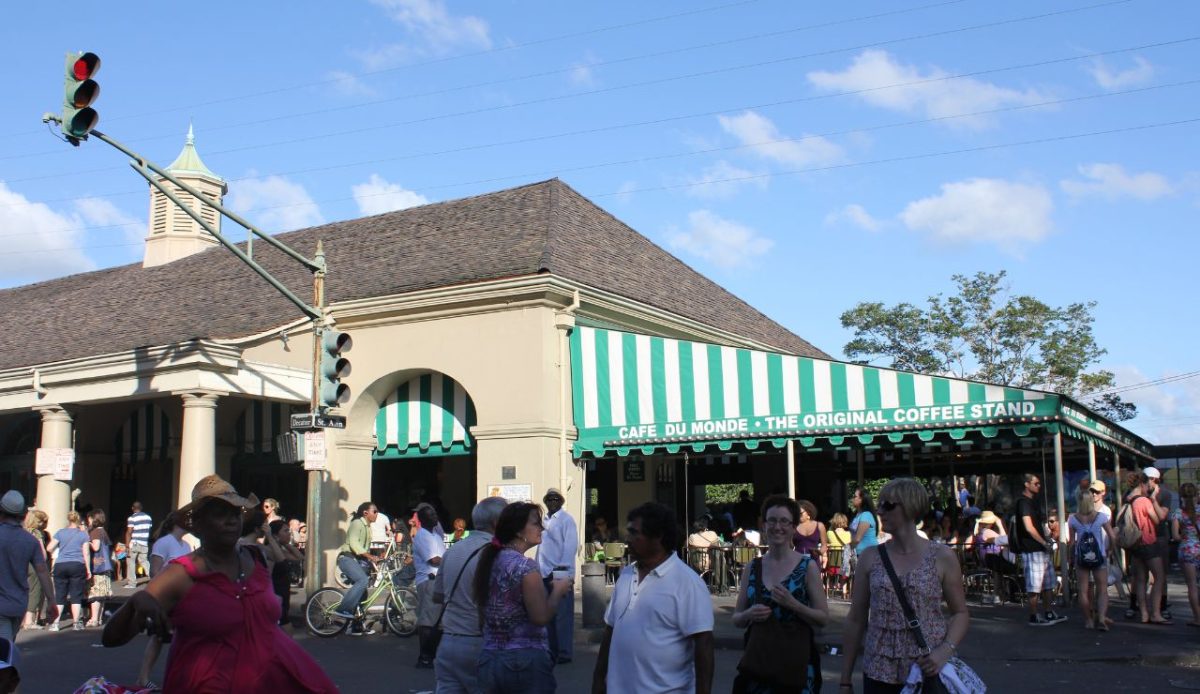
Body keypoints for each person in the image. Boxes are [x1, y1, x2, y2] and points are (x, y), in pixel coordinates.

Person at [102, 474, 337, 693]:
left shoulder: (257, 559)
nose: (231, 521)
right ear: (200, 523)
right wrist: (135, 603)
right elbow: (112, 638)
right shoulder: (180, 574)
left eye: (235, 513)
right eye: (219, 514)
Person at [839, 479, 969, 693]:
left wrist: (944, 651)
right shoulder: (870, 557)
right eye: (879, 505)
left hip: (927, 668)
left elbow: (961, 613)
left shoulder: (942, 556)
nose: (879, 511)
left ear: (910, 507)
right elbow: (856, 618)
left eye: (888, 505)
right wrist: (845, 679)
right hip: (878, 669)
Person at [592, 502, 714, 694]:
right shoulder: (626, 575)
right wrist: (598, 679)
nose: (628, 539)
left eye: (634, 533)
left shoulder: (687, 583)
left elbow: (704, 645)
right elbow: (611, 631)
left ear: (658, 536)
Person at [731, 495, 829, 693]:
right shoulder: (753, 567)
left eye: (784, 521)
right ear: (764, 525)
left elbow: (823, 618)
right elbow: (737, 618)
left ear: (794, 528)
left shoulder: (807, 566)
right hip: (760, 664)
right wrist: (749, 614)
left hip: (797, 666)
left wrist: (794, 605)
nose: (778, 527)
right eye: (772, 520)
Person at [473, 501, 572, 693]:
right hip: (525, 659)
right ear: (519, 531)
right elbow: (540, 617)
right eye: (535, 523)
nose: (541, 528)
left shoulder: (489, 560)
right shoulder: (525, 566)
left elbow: (481, 615)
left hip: (490, 656)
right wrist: (558, 591)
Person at [433, 496, 506, 694]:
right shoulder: (496, 554)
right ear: (497, 523)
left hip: (448, 641)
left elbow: (437, 595)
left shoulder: (453, 550)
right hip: (479, 640)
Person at [137, 512, 194, 689]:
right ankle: (143, 677)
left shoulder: (186, 545)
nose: (190, 523)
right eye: (187, 520)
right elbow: (154, 571)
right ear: (177, 523)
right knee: (158, 637)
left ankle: (180, 677)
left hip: (183, 597)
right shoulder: (163, 543)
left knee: (181, 638)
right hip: (166, 596)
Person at [0, 491, 57, 643]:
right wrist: (51, 601)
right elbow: (43, 572)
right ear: (24, 515)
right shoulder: (30, 541)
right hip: (18, 603)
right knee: (8, 646)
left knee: (4, 653)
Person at [1013, 473, 1067, 626]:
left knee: (1048, 582)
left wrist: (1047, 540)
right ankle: (1034, 615)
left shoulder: (1033, 502)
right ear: (1027, 484)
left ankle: (1049, 611)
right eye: (1035, 483)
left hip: (1041, 548)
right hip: (1032, 549)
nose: (1039, 486)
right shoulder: (1023, 503)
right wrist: (1044, 542)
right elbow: (1029, 527)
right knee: (1034, 584)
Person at [537, 487, 578, 665]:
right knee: (548, 615)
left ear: (561, 501)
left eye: (556, 499)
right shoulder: (544, 520)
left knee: (562, 615)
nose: (552, 502)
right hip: (543, 571)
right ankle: (551, 650)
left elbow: (570, 547)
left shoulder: (566, 520)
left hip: (559, 571)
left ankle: (564, 651)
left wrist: (563, 573)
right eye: (549, 499)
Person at [1123, 470, 1170, 624]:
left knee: (1140, 580)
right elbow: (1158, 519)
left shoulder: (1129, 499)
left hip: (1135, 544)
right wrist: (1154, 498)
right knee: (1159, 577)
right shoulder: (1144, 501)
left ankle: (1144, 613)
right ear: (1142, 484)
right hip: (1148, 542)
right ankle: (1156, 613)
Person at [1069, 488, 1115, 630]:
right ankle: (1101, 618)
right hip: (1099, 556)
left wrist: (1071, 558)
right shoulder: (1101, 517)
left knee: (1082, 590)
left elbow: (1071, 542)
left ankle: (1088, 620)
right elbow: (1112, 536)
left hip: (1081, 558)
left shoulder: (1072, 518)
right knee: (1102, 589)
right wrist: (1110, 550)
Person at [336, 502, 380, 637]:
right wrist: (370, 556)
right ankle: (343, 609)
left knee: (363, 594)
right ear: (366, 513)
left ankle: (355, 627)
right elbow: (354, 544)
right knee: (362, 580)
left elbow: (364, 549)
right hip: (347, 559)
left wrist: (374, 559)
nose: (377, 514)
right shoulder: (357, 524)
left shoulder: (368, 527)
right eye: (375, 511)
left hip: (357, 560)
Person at [414, 502, 447, 667]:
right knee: (428, 620)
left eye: (435, 514)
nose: (436, 517)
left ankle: (434, 655)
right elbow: (433, 560)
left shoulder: (435, 534)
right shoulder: (422, 536)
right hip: (429, 580)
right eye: (432, 515)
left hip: (439, 580)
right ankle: (425, 656)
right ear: (424, 519)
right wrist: (451, 560)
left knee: (440, 622)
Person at [45, 510, 89, 631]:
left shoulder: (60, 532)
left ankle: (55, 624)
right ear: (78, 520)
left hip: (61, 564)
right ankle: (76, 623)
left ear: (68, 520)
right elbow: (86, 553)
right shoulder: (83, 534)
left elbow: (49, 548)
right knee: (76, 595)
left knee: (60, 595)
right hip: (77, 564)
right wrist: (88, 569)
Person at [1171, 482, 1200, 627]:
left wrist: (1185, 535)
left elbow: (1175, 536)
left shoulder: (1178, 513)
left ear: (1181, 496)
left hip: (1187, 551)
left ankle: (1197, 618)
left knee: (1192, 586)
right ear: (1196, 495)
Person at [267, 520, 303, 626]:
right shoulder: (269, 550)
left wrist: (286, 543)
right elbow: (268, 576)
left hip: (284, 594)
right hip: (275, 595)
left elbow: (299, 557)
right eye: (286, 530)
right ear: (275, 535)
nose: (289, 533)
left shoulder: (281, 550)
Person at [84, 508, 115, 627]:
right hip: (105, 566)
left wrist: (87, 540)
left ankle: (94, 618)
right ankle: (99, 618)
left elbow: (96, 547)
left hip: (98, 567)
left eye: (90, 519)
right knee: (102, 594)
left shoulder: (96, 532)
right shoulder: (103, 532)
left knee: (95, 593)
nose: (88, 521)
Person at [21, 510, 50, 631]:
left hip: (23, 564)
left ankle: (23, 619)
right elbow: (42, 553)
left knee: (25, 591)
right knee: (35, 591)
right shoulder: (37, 533)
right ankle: (29, 621)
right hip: (34, 566)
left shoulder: (23, 531)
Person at [125, 501, 152, 588]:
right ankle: (154, 577)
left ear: (133, 508)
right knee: (144, 561)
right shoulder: (148, 518)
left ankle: (132, 583)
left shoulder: (131, 518)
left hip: (135, 543)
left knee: (131, 562)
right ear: (141, 508)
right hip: (144, 543)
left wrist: (127, 545)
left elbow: (129, 532)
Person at [826, 513, 853, 599]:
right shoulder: (849, 534)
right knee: (845, 566)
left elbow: (827, 542)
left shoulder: (829, 533)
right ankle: (844, 591)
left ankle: (829, 589)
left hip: (833, 562)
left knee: (830, 573)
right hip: (844, 563)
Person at [792, 500, 826, 565]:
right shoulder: (793, 527)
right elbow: (790, 545)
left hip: (814, 560)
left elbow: (824, 545)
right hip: (798, 561)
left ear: (808, 512)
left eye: (800, 513)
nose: (798, 516)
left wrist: (819, 552)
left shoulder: (819, 525)